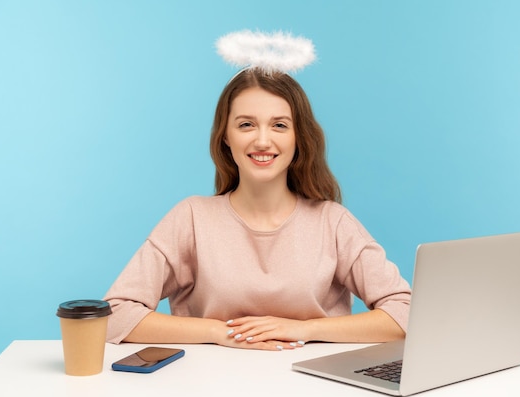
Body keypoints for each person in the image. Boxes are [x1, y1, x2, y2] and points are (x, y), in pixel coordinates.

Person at [103, 32, 412, 351]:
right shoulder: (191, 218)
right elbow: (114, 315)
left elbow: (405, 314)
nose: (263, 141)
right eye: (246, 124)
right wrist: (219, 333)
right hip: (208, 387)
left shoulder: (332, 222)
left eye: (279, 125)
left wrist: (302, 329)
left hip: (317, 388)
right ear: (225, 136)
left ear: (298, 137)